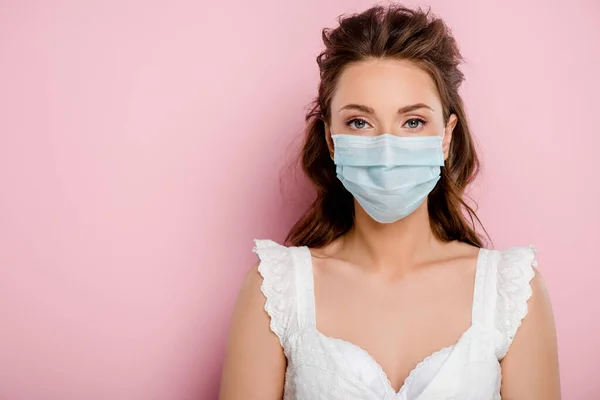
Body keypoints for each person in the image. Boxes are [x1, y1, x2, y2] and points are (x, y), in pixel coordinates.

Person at [219, 4, 560, 399]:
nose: (386, 150)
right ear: (331, 139)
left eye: (412, 122)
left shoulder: (512, 291)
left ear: (446, 136)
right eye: (359, 123)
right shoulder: (273, 290)